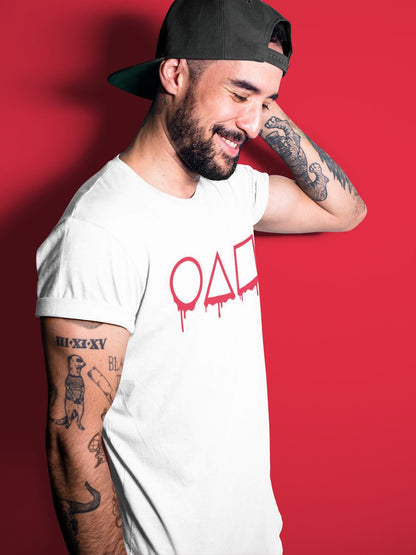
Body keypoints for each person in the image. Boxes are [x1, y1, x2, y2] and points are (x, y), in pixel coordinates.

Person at [36, 0, 366, 553]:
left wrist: (257, 104)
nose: (253, 125)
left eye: (267, 103)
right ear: (174, 74)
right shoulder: (98, 230)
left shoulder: (230, 189)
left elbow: (346, 211)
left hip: (257, 539)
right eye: (238, 94)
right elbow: (74, 443)